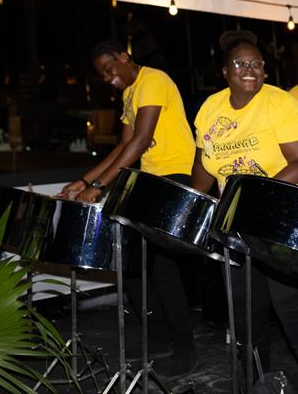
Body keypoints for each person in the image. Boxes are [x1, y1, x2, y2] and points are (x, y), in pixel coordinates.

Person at [189, 30, 298, 394]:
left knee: (294, 311)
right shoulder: (210, 109)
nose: (249, 69)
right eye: (240, 63)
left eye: (256, 64)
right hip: (235, 229)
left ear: (264, 69)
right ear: (225, 71)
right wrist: (192, 202)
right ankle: (257, 385)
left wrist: (250, 198)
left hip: (280, 222)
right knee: (246, 317)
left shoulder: (280, 103)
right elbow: (204, 167)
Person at [60, 39, 198, 376]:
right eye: (101, 75)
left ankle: (186, 348)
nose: (108, 78)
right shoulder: (129, 94)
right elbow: (123, 145)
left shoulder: (153, 80)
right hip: (149, 179)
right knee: (134, 267)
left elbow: (139, 141)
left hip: (175, 174)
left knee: (164, 270)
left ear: (124, 58)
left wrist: (99, 186)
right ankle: (158, 337)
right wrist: (84, 180)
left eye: (109, 69)